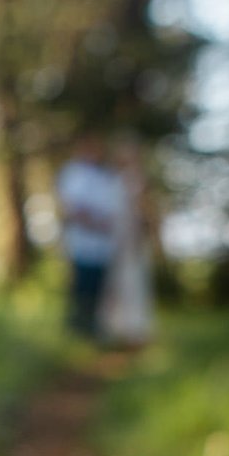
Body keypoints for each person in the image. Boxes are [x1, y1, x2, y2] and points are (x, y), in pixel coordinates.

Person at [55, 133, 126, 339]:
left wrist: (107, 225)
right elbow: (72, 208)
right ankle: (78, 327)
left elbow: (112, 208)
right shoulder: (73, 173)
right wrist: (95, 224)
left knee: (98, 286)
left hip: (102, 242)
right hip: (83, 240)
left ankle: (94, 326)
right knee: (82, 285)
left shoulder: (104, 176)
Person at [97, 138, 155, 348]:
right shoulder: (116, 180)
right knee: (117, 285)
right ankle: (119, 330)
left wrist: (137, 237)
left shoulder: (135, 180)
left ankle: (134, 330)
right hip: (116, 239)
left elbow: (141, 212)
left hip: (131, 239)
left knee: (132, 284)